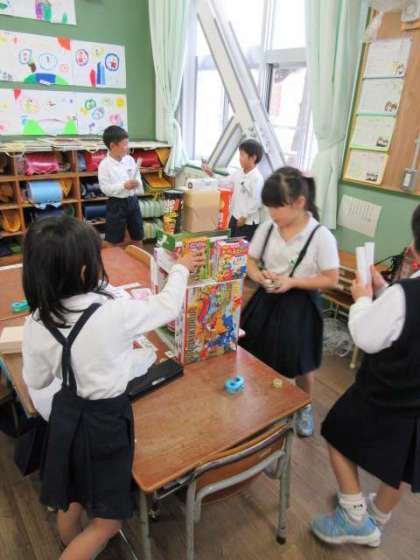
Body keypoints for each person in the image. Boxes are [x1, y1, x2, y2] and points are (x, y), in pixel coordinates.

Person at [21, 216, 204, 560]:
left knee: (70, 496)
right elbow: (167, 306)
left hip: (65, 416)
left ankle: (72, 543)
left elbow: (38, 381)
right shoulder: (113, 313)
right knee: (108, 521)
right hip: (104, 423)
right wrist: (180, 267)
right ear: (83, 270)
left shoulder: (36, 321)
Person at [311, 204, 420, 548]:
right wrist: (384, 290)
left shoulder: (406, 294)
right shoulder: (402, 294)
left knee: (336, 432)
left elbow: (366, 337)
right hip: (415, 403)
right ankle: (377, 518)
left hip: (385, 391)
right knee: (403, 463)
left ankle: (354, 516)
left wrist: (362, 299)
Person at [239, 167, 339, 436]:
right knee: (254, 352)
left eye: (277, 207)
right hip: (267, 298)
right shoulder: (268, 227)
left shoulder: (320, 236)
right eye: (268, 206)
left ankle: (304, 405)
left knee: (300, 362)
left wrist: (292, 282)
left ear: (299, 203)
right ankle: (258, 402)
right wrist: (258, 276)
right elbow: (251, 260)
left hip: (300, 305)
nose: (271, 213)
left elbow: (331, 279)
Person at [203, 138, 264, 240]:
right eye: (239, 155)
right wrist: (212, 175)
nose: (239, 159)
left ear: (253, 158)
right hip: (235, 216)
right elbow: (226, 182)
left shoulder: (257, 178)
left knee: (240, 247)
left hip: (247, 222)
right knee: (230, 244)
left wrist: (244, 217)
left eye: (242, 155)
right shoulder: (239, 172)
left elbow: (256, 201)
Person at [98, 125, 144, 246]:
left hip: (132, 201)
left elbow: (137, 177)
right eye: (124, 144)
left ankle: (140, 256)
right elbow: (105, 189)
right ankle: (112, 257)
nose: (127, 147)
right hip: (116, 204)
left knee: (138, 234)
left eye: (127, 143)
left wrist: (136, 183)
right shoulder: (104, 165)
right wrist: (124, 186)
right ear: (113, 146)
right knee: (113, 239)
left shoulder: (129, 159)